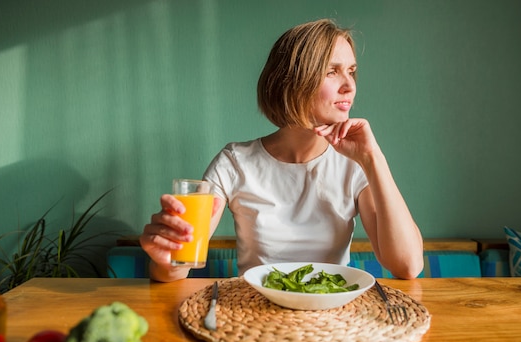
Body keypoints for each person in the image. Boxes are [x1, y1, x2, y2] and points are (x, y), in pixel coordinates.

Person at [140, 18, 423, 283]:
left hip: (334, 319)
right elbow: (180, 263)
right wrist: (165, 261)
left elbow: (407, 266)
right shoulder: (235, 163)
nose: (349, 86)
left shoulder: (355, 164)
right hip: (255, 314)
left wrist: (373, 158)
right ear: (294, 80)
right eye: (332, 71)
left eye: (351, 71)